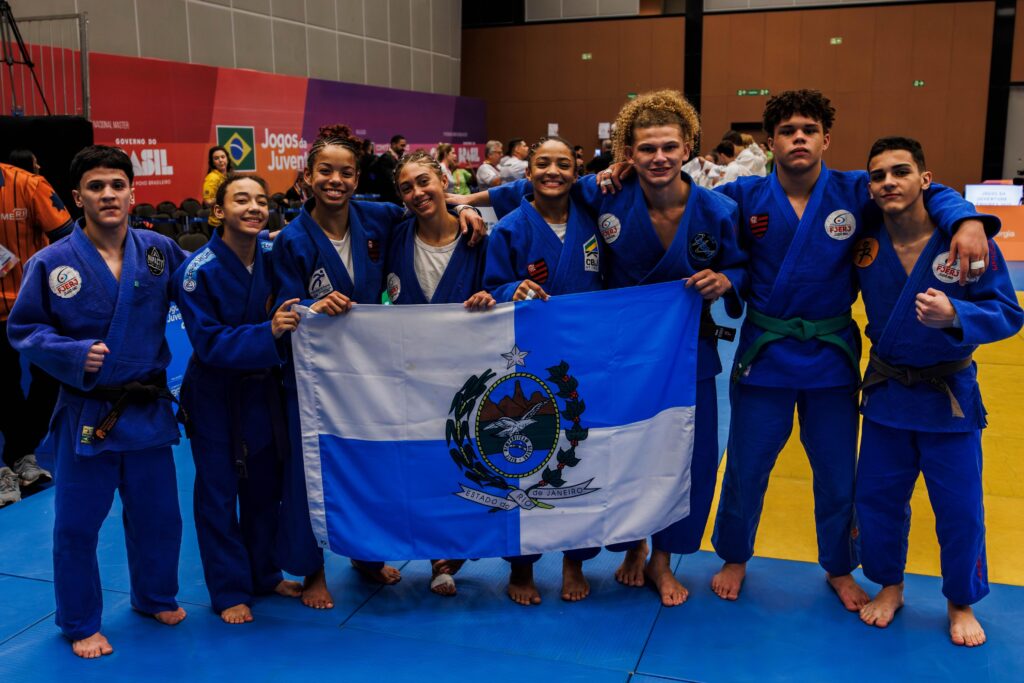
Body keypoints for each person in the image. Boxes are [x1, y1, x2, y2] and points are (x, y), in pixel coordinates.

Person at [702, 90, 994, 610]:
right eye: (788, 131)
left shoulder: (857, 190)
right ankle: (734, 554)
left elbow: (929, 189)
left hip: (832, 359)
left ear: (825, 139)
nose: (798, 138)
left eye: (809, 130)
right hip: (765, 355)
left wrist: (968, 219)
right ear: (770, 141)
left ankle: (838, 565)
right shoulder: (744, 195)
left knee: (838, 472)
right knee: (747, 466)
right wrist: (727, 275)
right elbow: (697, 220)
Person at [468, 91, 747, 608]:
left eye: (669, 146)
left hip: (687, 353)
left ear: (687, 147)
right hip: (612, 357)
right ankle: (630, 544)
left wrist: (727, 280)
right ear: (628, 154)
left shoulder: (719, 209)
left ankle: (663, 559)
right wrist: (462, 206)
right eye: (646, 149)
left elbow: (742, 266)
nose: (659, 157)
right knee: (618, 453)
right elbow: (536, 196)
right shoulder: (604, 196)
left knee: (690, 456)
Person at [271, 125, 486, 610]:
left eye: (346, 172)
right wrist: (310, 304)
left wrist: (463, 207)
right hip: (317, 376)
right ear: (306, 176)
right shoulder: (291, 239)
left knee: (368, 465)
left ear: (358, 178)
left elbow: (425, 206)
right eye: (325, 171)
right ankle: (311, 573)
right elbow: (286, 303)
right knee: (313, 471)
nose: (336, 180)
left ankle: (365, 557)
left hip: (370, 373)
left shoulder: (378, 217)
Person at [7, 145, 188, 658]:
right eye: (96, 187)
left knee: (159, 515)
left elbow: (201, 288)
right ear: (76, 198)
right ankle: (80, 619)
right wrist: (73, 352)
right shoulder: (52, 262)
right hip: (89, 412)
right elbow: (25, 330)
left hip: (147, 408)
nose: (108, 195)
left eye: (117, 185)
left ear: (133, 193)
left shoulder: (158, 249)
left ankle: (155, 595)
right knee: (77, 523)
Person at [854, 136, 1022, 647]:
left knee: (961, 506)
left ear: (925, 180)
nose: (889, 182)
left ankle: (960, 601)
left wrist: (958, 317)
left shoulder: (967, 242)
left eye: (901, 172)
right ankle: (890, 585)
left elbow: (1009, 314)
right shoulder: (863, 237)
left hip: (947, 397)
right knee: (878, 500)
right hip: (886, 393)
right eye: (878, 175)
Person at [174, 173, 304, 624]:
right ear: (218, 212)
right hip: (216, 393)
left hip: (264, 388)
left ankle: (264, 573)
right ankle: (228, 588)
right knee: (217, 492)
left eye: (261, 201)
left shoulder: (273, 254)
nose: (253, 208)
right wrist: (265, 332)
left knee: (265, 487)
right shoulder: (195, 272)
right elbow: (207, 342)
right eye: (241, 200)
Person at [482, 136, 606, 605]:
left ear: (576, 170)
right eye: (542, 163)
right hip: (528, 363)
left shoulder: (594, 223)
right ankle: (521, 568)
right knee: (524, 459)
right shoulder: (511, 228)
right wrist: (514, 287)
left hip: (585, 359)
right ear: (527, 171)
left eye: (562, 163)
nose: (553, 171)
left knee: (583, 456)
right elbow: (491, 287)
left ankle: (575, 559)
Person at [384, 151, 493, 596]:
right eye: (406, 187)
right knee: (421, 465)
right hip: (412, 372)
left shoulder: (482, 239)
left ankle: (455, 551)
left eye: (424, 181)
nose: (417, 193)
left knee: (468, 465)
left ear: (444, 179)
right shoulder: (393, 236)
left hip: (471, 374)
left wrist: (494, 295)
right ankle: (433, 554)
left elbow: (504, 285)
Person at [0, 161, 72, 507]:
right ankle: (13, 463)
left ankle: (20, 450)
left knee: (49, 378)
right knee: (4, 385)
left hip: (34, 305)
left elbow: (67, 236)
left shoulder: (28, 185)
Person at [371, 134, 408, 205]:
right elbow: (391, 180)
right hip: (389, 200)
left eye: (404, 146)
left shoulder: (397, 158)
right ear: (394, 144)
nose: (404, 148)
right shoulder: (386, 158)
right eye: (402, 145)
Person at [202, 146, 232, 228]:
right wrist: (224, 197)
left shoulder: (228, 176)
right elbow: (207, 202)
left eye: (223, 157)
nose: (221, 160)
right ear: (212, 162)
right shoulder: (212, 178)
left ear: (227, 159)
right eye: (216, 158)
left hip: (229, 221)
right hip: (217, 224)